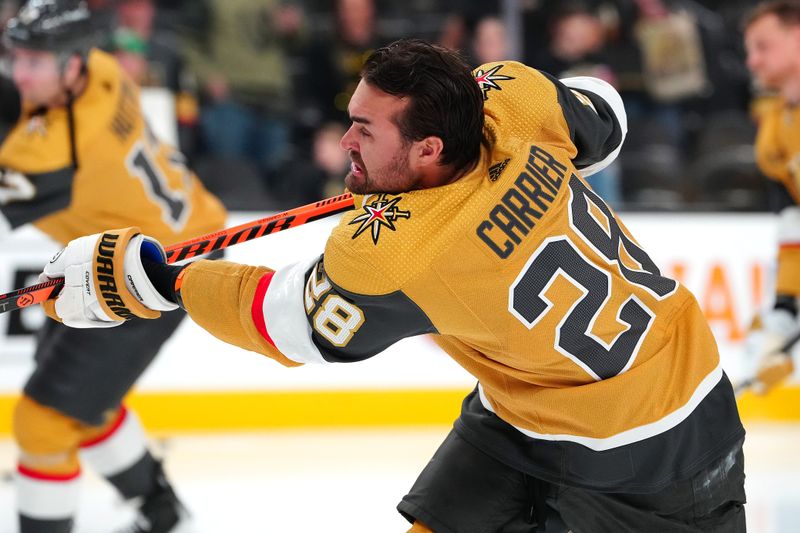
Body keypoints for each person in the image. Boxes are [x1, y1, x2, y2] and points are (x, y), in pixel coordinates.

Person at [41, 38, 746, 532]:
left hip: (662, 438)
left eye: (363, 130)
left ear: (430, 148)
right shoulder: (513, 99)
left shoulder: (397, 250)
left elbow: (288, 323)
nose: (344, 141)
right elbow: (606, 118)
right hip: (527, 409)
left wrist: (157, 281)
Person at [0, 1, 227, 532]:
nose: (21, 73)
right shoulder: (100, 69)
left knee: (44, 423)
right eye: (18, 58)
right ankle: (161, 511)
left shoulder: (52, 150)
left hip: (151, 274)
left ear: (72, 64)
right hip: (141, 251)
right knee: (82, 402)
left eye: (36, 61)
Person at [743, 0, 800, 393]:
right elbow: (792, 224)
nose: (752, 61)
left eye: (763, 46)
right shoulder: (774, 128)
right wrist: (785, 309)